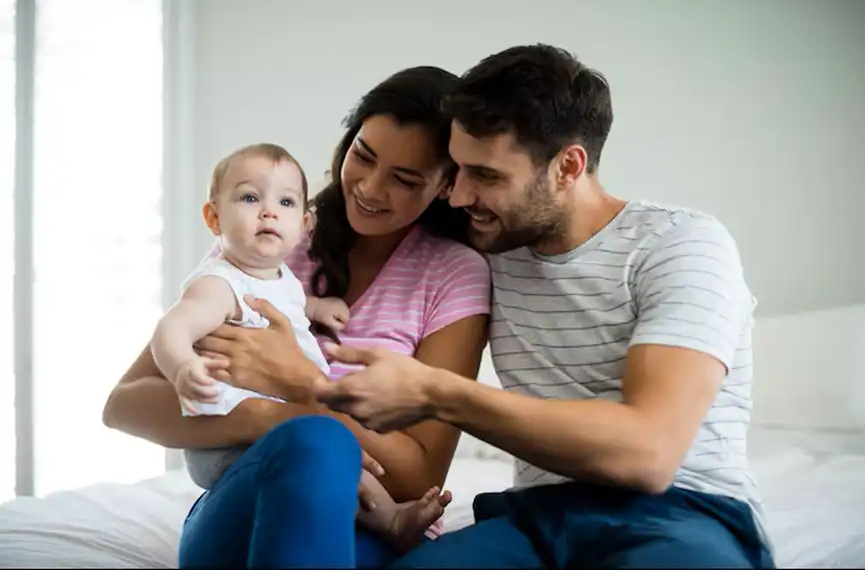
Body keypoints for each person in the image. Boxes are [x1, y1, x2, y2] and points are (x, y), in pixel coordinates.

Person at [302, 44, 775, 568]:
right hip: (532, 520)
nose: (458, 196)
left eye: (485, 176)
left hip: (680, 512)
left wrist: (436, 393)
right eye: (456, 171)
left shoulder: (681, 245)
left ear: (567, 166)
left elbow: (648, 454)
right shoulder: (487, 250)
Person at [101, 65, 491, 568]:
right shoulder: (271, 241)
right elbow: (125, 405)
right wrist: (278, 417)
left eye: (404, 179)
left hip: (372, 525)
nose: (370, 188)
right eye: (363, 156)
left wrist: (304, 385)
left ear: (444, 187)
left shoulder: (453, 275)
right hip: (243, 507)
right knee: (316, 438)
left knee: (321, 439)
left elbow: (419, 478)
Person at [149, 141, 451, 553]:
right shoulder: (218, 284)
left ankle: (391, 518)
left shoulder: (279, 278)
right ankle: (388, 517)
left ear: (305, 223)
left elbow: (285, 303)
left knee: (334, 450)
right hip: (232, 445)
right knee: (323, 444)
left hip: (288, 440)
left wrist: (317, 307)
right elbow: (172, 327)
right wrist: (183, 366)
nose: (269, 211)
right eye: (250, 197)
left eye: (286, 202)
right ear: (213, 217)